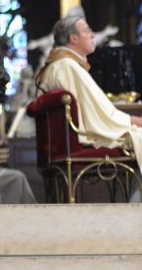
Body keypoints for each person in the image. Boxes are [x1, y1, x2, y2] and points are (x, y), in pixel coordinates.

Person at [35, 10, 142, 171]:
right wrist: (133, 121)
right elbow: (97, 115)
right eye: (87, 31)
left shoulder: (60, 65)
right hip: (86, 140)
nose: (92, 35)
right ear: (73, 38)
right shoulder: (67, 67)